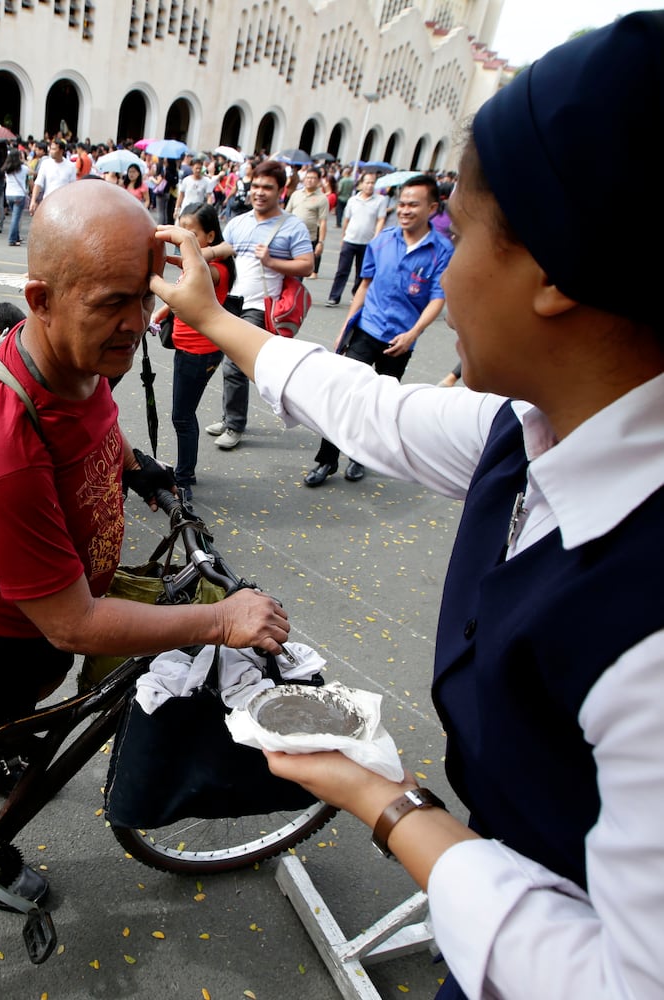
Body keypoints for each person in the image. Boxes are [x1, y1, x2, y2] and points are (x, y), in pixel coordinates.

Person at [155, 16, 664, 999]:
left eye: (463, 234)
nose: (436, 276)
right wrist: (217, 318)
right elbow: (374, 411)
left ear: (556, 277)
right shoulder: (535, 427)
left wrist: (383, 802)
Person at [0, 181, 291, 903]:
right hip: (2, 632)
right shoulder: (0, 443)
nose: (139, 324)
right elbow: (72, 624)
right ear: (39, 300)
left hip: (45, 623)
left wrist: (138, 469)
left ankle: (4, 762)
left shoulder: (74, 358)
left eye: (143, 296)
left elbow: (96, 429)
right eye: (112, 304)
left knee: (22, 722)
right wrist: (223, 617)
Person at [305, 174, 453, 486]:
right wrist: (346, 326)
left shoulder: (441, 250)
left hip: (400, 341)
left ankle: (361, 457)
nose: (405, 210)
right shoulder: (382, 240)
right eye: (402, 203)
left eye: (414, 204)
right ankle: (326, 461)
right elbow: (364, 285)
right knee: (342, 397)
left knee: (378, 404)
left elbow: (437, 298)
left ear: (432, 208)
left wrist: (413, 333)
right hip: (366, 330)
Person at [204, 160, 313, 450]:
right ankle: (229, 418)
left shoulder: (292, 227)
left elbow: (307, 265)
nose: (260, 192)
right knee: (226, 362)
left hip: (262, 307)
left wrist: (271, 261)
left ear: (282, 190)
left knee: (235, 365)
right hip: (233, 301)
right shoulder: (240, 222)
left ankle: (235, 424)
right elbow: (227, 249)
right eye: (255, 186)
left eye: (267, 187)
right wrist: (197, 252)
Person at [149, 202, 234, 503]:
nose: (184, 237)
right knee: (183, 415)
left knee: (182, 417)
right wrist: (158, 316)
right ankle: (187, 471)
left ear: (210, 236)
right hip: (187, 348)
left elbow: (225, 250)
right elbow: (178, 297)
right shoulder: (194, 264)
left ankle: (184, 478)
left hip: (200, 352)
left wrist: (152, 279)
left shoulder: (211, 270)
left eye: (191, 234)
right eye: (181, 230)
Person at [325, 171, 388, 307]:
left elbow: (381, 219)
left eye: (372, 183)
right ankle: (334, 296)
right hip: (350, 239)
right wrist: (344, 235)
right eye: (367, 182)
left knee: (362, 272)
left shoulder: (380, 200)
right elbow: (346, 219)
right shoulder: (353, 200)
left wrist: (376, 238)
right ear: (361, 184)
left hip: (368, 242)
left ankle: (356, 296)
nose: (370, 185)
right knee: (342, 270)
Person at [286, 165, 328, 279]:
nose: (309, 180)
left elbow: (323, 222)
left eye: (313, 178)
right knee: (285, 270)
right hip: (289, 236)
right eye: (308, 177)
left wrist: (321, 242)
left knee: (298, 274)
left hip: (307, 239)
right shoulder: (296, 194)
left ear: (319, 180)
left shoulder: (322, 198)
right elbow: (286, 214)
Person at [27, 138, 76, 215]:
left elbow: (72, 188)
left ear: (61, 151)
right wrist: (33, 201)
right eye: (50, 149)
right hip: (48, 203)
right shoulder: (46, 164)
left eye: (54, 149)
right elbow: (38, 183)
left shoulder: (70, 166)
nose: (51, 151)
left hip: (63, 205)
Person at [3, 147, 30, 247]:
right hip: (19, 195)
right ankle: (12, 239)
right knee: (16, 218)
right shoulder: (23, 168)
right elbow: (32, 171)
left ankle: (16, 236)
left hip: (9, 194)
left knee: (15, 217)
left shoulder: (7, 168)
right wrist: (24, 161)